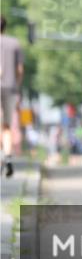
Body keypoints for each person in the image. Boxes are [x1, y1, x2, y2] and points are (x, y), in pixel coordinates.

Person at [1, 15, 24, 177]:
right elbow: (20, 70)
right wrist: (17, 86)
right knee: (7, 125)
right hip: (10, 88)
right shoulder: (14, 43)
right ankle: (7, 157)